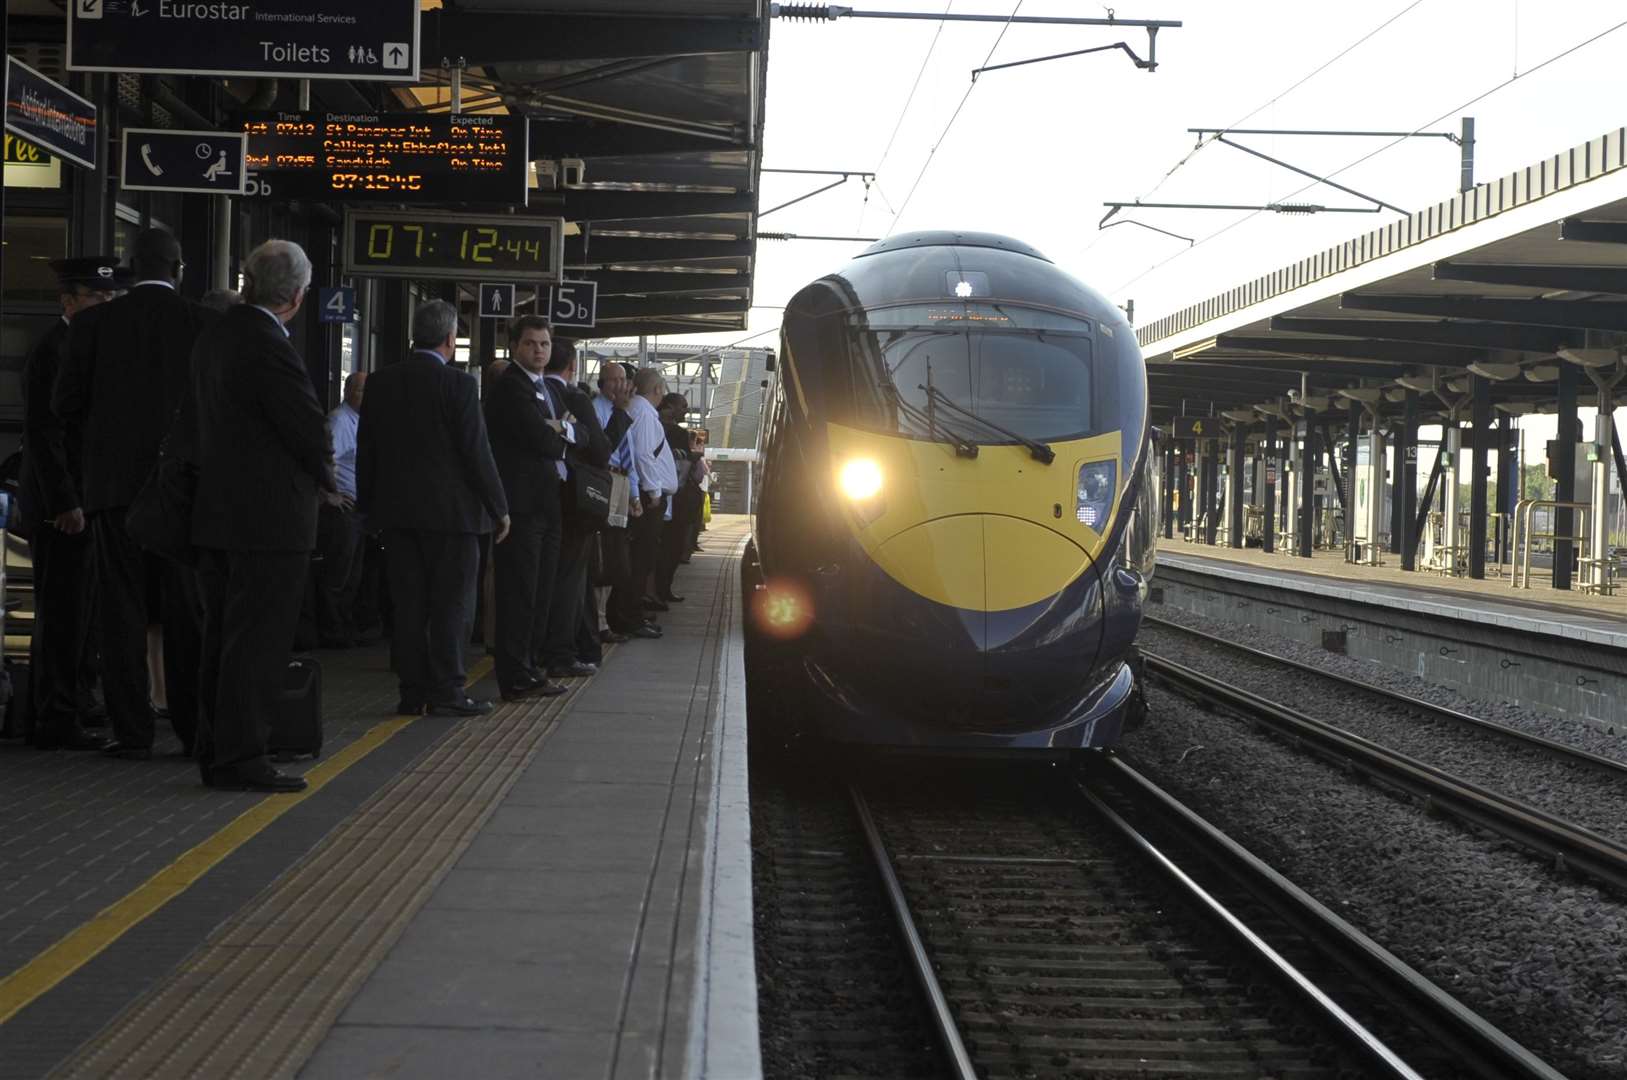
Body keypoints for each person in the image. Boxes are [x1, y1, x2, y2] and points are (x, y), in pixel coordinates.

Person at [54, 227, 213, 760]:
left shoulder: (94, 324)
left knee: (119, 609)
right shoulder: (203, 324)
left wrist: (95, 459)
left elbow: (66, 405)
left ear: (128, 267)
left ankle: (132, 730)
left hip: (114, 490)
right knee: (185, 611)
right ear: (178, 269)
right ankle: (194, 728)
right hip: (183, 491)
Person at [189, 240, 334, 792]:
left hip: (220, 513)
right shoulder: (268, 344)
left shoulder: (217, 335)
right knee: (257, 642)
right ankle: (243, 756)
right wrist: (325, 479)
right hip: (268, 521)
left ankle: (218, 748)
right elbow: (305, 424)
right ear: (296, 295)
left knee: (221, 639)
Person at [358, 300, 509, 716]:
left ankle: (411, 692)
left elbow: (366, 451)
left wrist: (368, 509)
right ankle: (447, 691)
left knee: (408, 606)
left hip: (398, 516)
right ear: (449, 340)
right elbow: (476, 452)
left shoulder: (381, 382)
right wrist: (499, 507)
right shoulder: (458, 386)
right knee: (452, 605)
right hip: (454, 519)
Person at [18, 257, 125, 751]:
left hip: (87, 499)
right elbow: (45, 435)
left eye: (109, 298)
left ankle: (78, 699)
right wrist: (66, 500)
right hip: (61, 507)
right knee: (61, 611)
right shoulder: (52, 350)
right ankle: (54, 716)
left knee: (84, 610)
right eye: (96, 298)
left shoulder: (88, 347)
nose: (105, 306)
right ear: (68, 301)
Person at [482, 317, 571, 702]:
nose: (539, 351)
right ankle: (515, 674)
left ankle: (529, 668)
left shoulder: (545, 389)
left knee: (540, 591)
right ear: (514, 346)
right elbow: (543, 441)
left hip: (546, 505)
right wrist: (556, 431)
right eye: (531, 343)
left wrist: (559, 429)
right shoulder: (511, 388)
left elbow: (574, 431)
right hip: (521, 507)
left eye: (545, 344)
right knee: (519, 593)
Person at [539, 338, 610, 680]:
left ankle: (549, 649)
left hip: (537, 500)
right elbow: (600, 449)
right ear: (572, 367)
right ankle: (562, 653)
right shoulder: (574, 397)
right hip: (574, 501)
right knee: (571, 580)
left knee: (541, 579)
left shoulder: (531, 392)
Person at [610, 368, 677, 634]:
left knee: (637, 559)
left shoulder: (636, 410)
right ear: (658, 390)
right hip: (648, 501)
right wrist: (654, 492)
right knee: (641, 560)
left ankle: (630, 613)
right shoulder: (646, 414)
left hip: (641, 495)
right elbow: (644, 456)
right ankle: (631, 617)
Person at [315, 371, 368, 648]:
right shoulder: (339, 420)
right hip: (342, 512)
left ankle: (344, 628)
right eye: (360, 390)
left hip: (359, 511)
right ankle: (331, 632)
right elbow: (324, 460)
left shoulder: (362, 421)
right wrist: (329, 496)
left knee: (353, 574)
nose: (365, 396)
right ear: (347, 391)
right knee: (337, 574)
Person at [653, 392, 693, 605]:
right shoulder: (678, 433)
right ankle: (662, 589)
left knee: (659, 546)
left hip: (655, 493)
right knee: (673, 545)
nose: (686, 410)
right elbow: (685, 467)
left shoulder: (656, 427)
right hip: (674, 495)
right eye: (682, 406)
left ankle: (657, 591)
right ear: (669, 407)